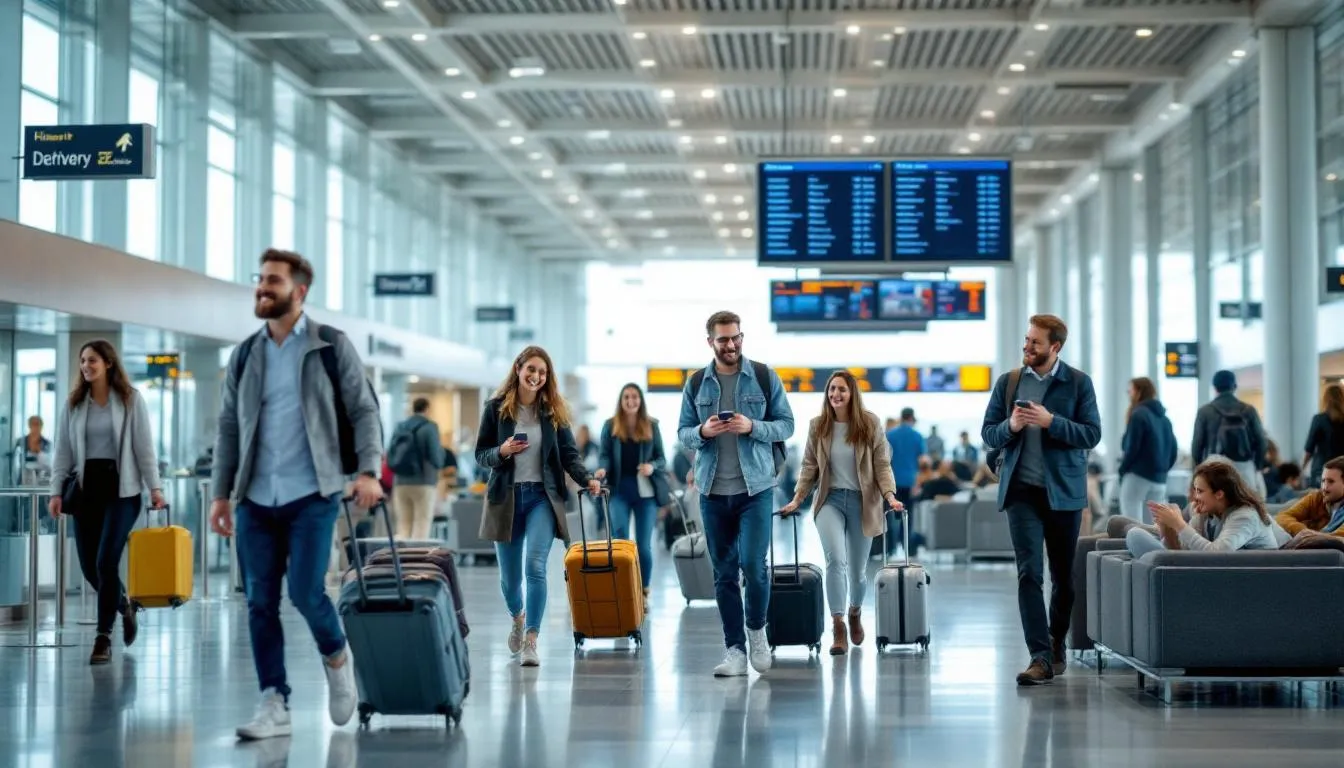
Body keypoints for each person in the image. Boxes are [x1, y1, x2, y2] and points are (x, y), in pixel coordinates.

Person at [208, 249, 384, 740]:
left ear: (299, 291)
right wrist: (221, 493)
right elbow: (229, 428)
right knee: (259, 601)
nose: (262, 287)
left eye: (273, 281)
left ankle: (337, 656)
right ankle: (274, 700)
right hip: (256, 498)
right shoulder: (246, 353)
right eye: (260, 279)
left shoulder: (330, 345)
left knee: (307, 592)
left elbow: (364, 411)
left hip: (313, 493)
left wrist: (369, 470)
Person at [980, 314, 1101, 687]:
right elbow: (989, 433)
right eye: (1026, 339)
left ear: (1055, 347)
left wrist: (1052, 422)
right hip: (1021, 493)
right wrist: (1011, 427)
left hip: (1064, 494)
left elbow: (1092, 434)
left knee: (1063, 577)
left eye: (1035, 342)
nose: (1027, 347)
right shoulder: (1009, 382)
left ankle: (1056, 641)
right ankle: (1040, 657)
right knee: (1029, 573)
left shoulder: (1078, 383)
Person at [677, 310, 795, 678]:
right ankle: (734, 650)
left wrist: (752, 425)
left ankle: (756, 632)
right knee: (724, 574)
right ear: (709, 341)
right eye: (723, 340)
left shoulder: (763, 376)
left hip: (756, 488)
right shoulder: (697, 383)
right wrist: (703, 432)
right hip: (712, 490)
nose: (731, 345)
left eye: (736, 338)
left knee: (753, 567)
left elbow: (786, 425)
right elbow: (682, 432)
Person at [475, 345, 601, 669]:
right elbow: (481, 455)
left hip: (542, 499)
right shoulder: (495, 410)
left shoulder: (554, 414)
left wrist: (587, 480)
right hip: (505, 499)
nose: (536, 376)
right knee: (509, 580)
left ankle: (532, 639)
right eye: (531, 369)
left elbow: (570, 455)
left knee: (536, 567)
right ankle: (518, 616)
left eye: (542, 372)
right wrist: (501, 450)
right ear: (518, 369)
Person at [48, 340, 166, 666]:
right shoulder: (73, 404)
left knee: (105, 562)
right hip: (86, 492)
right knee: (89, 569)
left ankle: (103, 637)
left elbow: (145, 448)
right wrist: (56, 492)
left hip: (123, 491)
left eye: (93, 360)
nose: (86, 366)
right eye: (83, 361)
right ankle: (124, 604)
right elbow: (62, 453)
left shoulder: (130, 399)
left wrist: (155, 488)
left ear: (109, 363)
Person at [779, 370, 900, 656]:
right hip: (829, 501)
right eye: (832, 389)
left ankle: (855, 611)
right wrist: (797, 499)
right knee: (836, 561)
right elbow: (809, 466)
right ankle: (838, 626)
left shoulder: (869, 423)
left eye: (842, 390)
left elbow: (882, 464)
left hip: (863, 502)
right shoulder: (818, 425)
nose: (835, 394)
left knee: (858, 572)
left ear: (852, 393)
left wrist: (890, 496)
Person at [595, 383, 669, 605]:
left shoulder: (651, 426)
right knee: (620, 542)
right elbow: (604, 455)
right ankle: (624, 590)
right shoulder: (610, 426)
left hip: (645, 493)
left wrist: (652, 467)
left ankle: (644, 591)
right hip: (619, 491)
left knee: (644, 545)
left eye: (635, 397)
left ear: (640, 400)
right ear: (621, 400)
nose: (630, 401)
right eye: (626, 397)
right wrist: (602, 469)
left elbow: (662, 458)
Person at [1126, 459, 1279, 556]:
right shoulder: (1207, 513)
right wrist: (1167, 527)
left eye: (1200, 491)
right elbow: (1182, 553)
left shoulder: (1244, 516)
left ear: (1219, 494)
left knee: (1136, 537)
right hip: (1216, 573)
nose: (1195, 497)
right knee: (1135, 535)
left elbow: (1217, 555)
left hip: (1248, 579)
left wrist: (1179, 524)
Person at [1191, 369, 1267, 497]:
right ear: (1235, 386)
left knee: (1213, 508)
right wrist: (1256, 466)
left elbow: (1197, 446)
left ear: (1215, 387)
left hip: (1214, 466)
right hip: (1244, 467)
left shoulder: (1205, 411)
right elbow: (1261, 441)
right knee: (1247, 504)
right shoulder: (1249, 410)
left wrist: (1199, 471)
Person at [1117, 377, 1177, 524]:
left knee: (1131, 526)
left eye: (1130, 390)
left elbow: (1132, 448)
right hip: (1159, 480)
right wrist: (1161, 471)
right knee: (1153, 528)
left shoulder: (1138, 414)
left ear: (1139, 392)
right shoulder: (1165, 420)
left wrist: (1122, 470)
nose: (1128, 394)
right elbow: (1173, 451)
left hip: (1137, 477)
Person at [387, 397, 447, 539]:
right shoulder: (429, 427)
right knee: (421, 524)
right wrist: (442, 458)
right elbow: (435, 457)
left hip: (400, 482)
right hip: (424, 482)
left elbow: (390, 453)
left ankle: (401, 559)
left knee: (403, 525)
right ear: (426, 408)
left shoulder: (400, 426)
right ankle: (416, 559)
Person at [884, 408, 925, 556]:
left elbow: (884, 461)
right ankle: (907, 546)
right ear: (912, 418)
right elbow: (921, 462)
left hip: (892, 483)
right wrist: (917, 483)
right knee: (908, 515)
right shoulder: (917, 436)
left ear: (901, 418)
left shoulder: (889, 435)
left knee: (889, 515)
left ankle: (890, 547)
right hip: (910, 482)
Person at [1274, 456, 1344, 539]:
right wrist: (1304, 531)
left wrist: (1310, 535)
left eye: (1331, 481)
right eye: (1323, 481)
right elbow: (1282, 517)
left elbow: (1337, 538)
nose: (1324, 487)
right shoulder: (1317, 498)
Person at [1302, 384, 1344, 485]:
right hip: (1342, 471)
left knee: (1320, 500)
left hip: (1322, 470)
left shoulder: (1319, 419)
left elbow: (1309, 448)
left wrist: (1302, 468)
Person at [16, 415, 52, 482]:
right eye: (34, 424)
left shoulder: (46, 443)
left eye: (38, 424)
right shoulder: (21, 442)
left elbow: (49, 464)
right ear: (29, 426)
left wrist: (39, 452)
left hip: (40, 478)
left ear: (42, 426)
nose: (36, 427)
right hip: (23, 477)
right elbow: (16, 460)